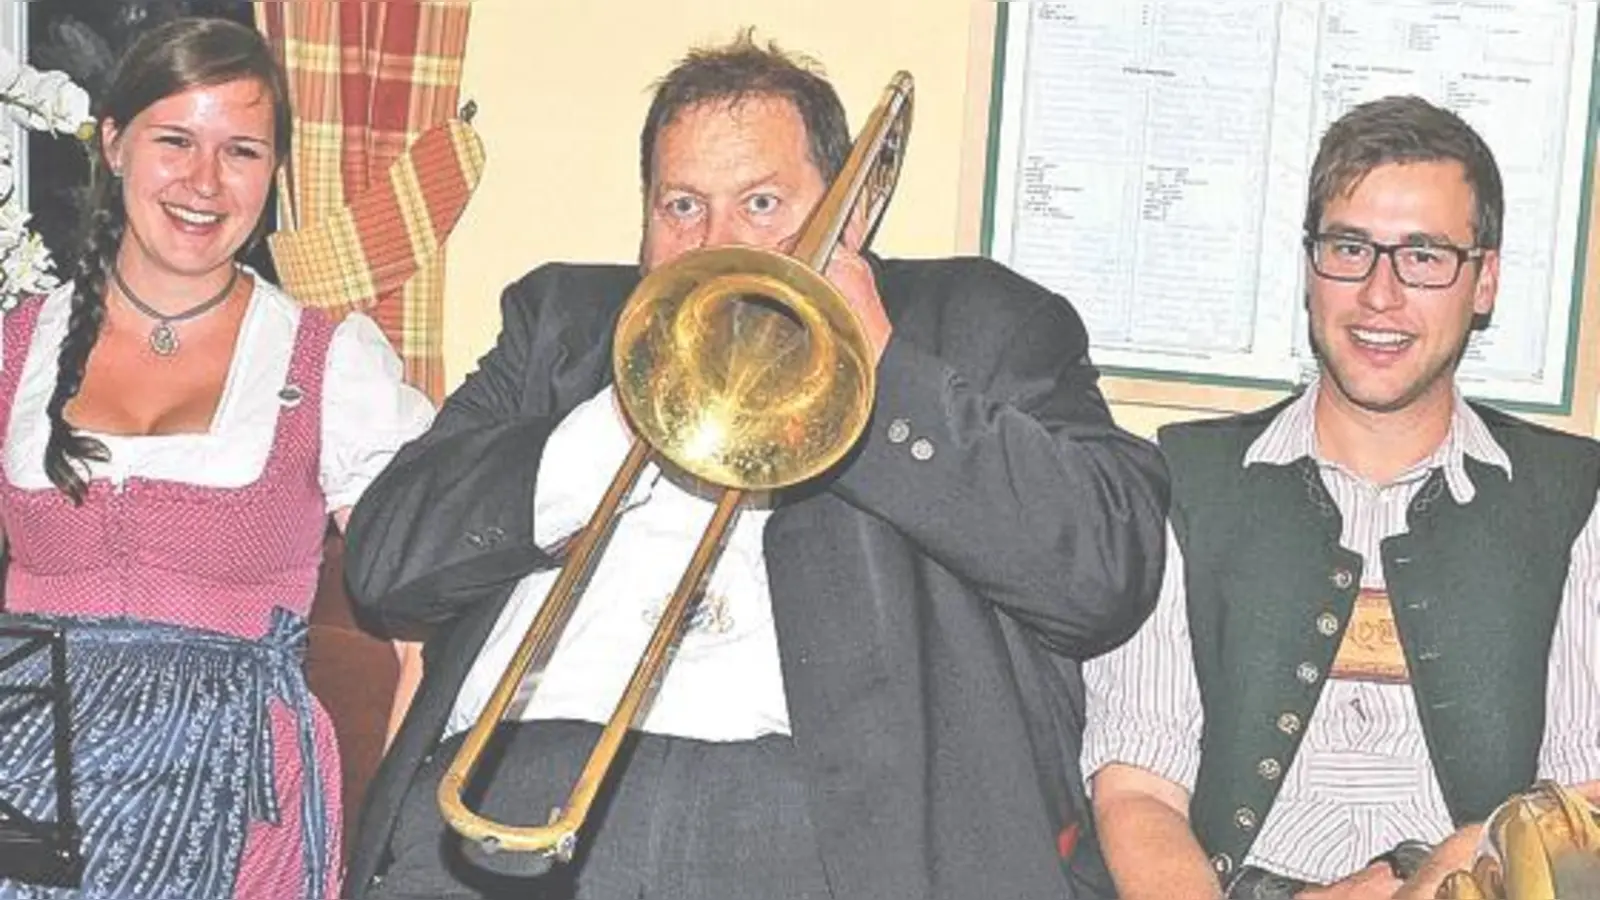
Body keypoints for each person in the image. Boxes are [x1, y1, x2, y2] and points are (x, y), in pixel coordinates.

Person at [341, 29, 1170, 900]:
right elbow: (387, 561)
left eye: (763, 203)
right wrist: (621, 416)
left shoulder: (975, 319)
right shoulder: (561, 324)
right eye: (681, 206)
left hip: (825, 820)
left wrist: (883, 374)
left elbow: (1106, 567)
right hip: (518, 785)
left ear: (850, 214)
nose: (716, 242)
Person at [1081, 94, 1600, 900]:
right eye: (1350, 248)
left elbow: (1580, 804)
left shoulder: (1576, 500)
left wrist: (1451, 861)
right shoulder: (1182, 482)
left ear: (1484, 281)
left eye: (1424, 256)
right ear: (1310, 266)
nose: (1380, 294)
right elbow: (1138, 790)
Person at [0, 17, 434, 899]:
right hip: (28, 785)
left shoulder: (330, 362)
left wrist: (397, 840)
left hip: (239, 802)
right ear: (113, 144)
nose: (205, 182)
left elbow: (428, 626)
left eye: (241, 151)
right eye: (175, 141)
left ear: (274, 173)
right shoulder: (17, 347)